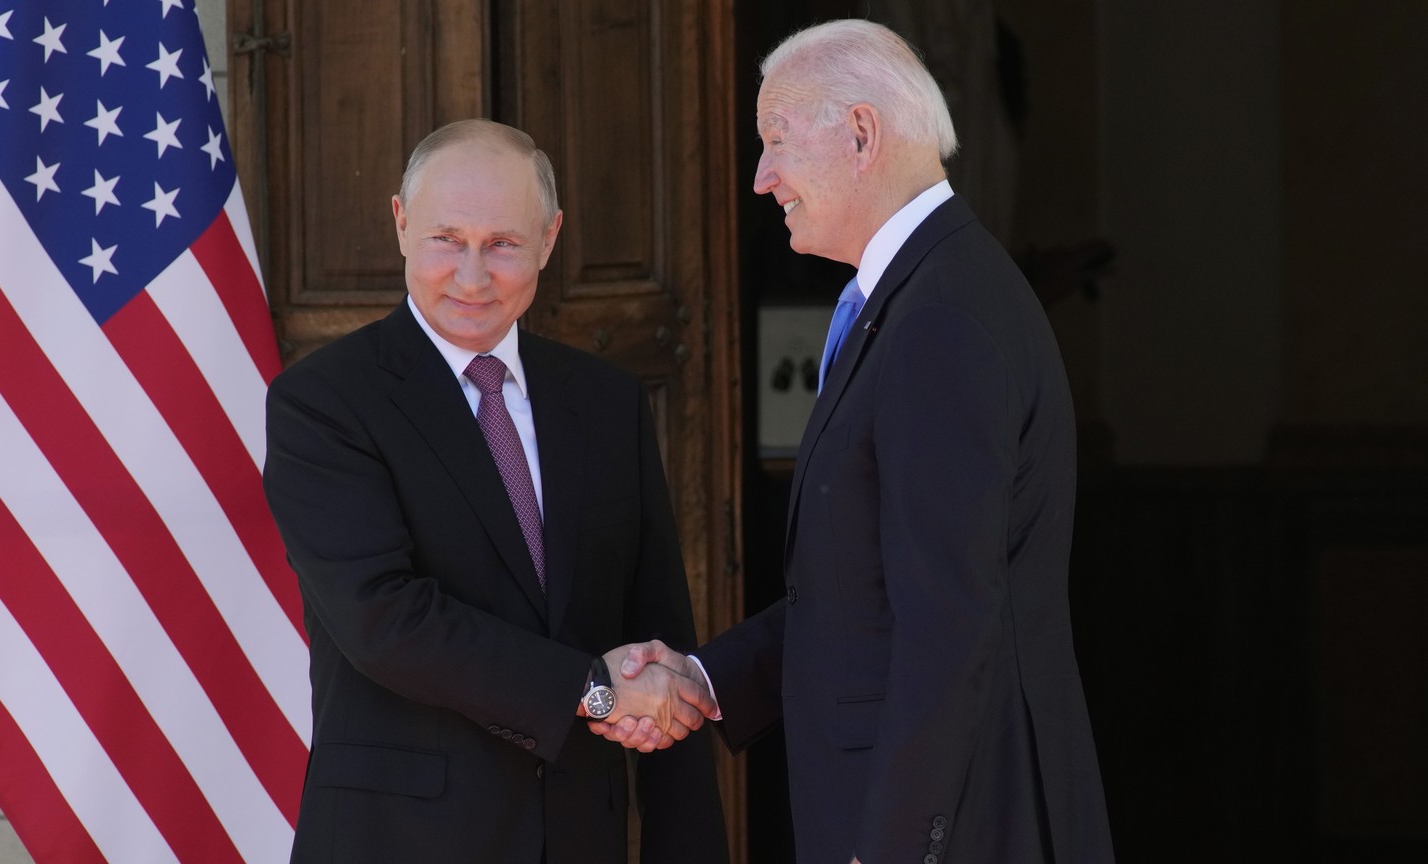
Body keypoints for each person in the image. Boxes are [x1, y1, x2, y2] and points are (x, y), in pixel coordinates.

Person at [597, 19, 1115, 864]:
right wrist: (705, 679)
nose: (762, 178)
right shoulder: (922, 294)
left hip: (959, 829)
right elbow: (864, 586)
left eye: (776, 141)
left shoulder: (940, 317)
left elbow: (948, 626)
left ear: (862, 133)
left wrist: (895, 848)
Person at [263, 118, 729, 864]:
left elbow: (658, 634)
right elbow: (386, 619)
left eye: (504, 244)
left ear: (549, 239)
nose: (473, 276)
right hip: (401, 843)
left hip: (580, 837)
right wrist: (590, 688)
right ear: (401, 224)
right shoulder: (323, 402)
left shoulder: (606, 401)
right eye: (447, 238)